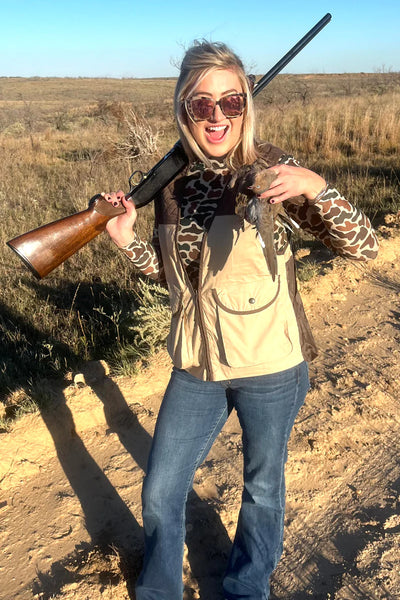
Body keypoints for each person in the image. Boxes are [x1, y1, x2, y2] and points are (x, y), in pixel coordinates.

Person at [103, 41, 378, 600]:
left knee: (262, 489)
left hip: (272, 364)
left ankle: (246, 586)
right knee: (160, 490)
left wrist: (317, 187)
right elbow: (177, 277)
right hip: (197, 364)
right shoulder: (171, 183)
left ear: (246, 105)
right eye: (201, 104)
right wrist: (128, 243)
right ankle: (157, 589)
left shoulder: (273, 168)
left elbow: (366, 249)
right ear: (182, 109)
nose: (217, 116)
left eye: (230, 101)